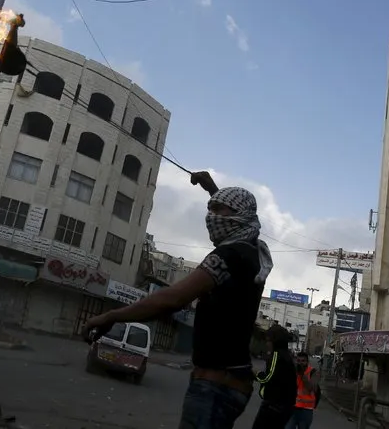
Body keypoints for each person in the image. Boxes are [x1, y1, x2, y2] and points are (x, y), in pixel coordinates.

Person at [82, 171, 274, 429]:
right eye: (210, 209)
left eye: (219, 210)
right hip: (226, 383)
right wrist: (212, 190)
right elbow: (239, 217)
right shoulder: (249, 250)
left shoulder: (231, 254)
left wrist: (110, 316)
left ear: (239, 216)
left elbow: (172, 299)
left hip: (215, 387)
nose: (211, 218)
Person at [252, 325, 297, 429]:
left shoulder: (277, 356)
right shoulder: (287, 356)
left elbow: (268, 378)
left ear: (275, 341)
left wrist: (256, 373)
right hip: (284, 407)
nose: (267, 344)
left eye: (268, 341)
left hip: (274, 406)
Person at [285, 352, 319, 429]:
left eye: (303, 361)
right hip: (292, 408)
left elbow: (312, 388)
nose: (300, 363)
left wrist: (303, 376)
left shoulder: (313, 372)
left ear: (307, 362)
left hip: (306, 410)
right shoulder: (293, 371)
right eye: (298, 361)